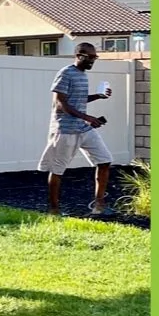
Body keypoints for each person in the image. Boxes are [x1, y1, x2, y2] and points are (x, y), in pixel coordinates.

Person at [37, 42, 112, 216]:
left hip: (83, 129)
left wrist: (98, 96)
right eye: (89, 57)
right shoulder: (65, 73)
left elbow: (77, 99)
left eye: (95, 57)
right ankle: (54, 210)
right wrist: (88, 117)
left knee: (105, 161)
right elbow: (60, 103)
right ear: (79, 55)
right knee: (57, 169)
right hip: (65, 130)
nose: (93, 60)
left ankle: (99, 205)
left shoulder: (82, 75)